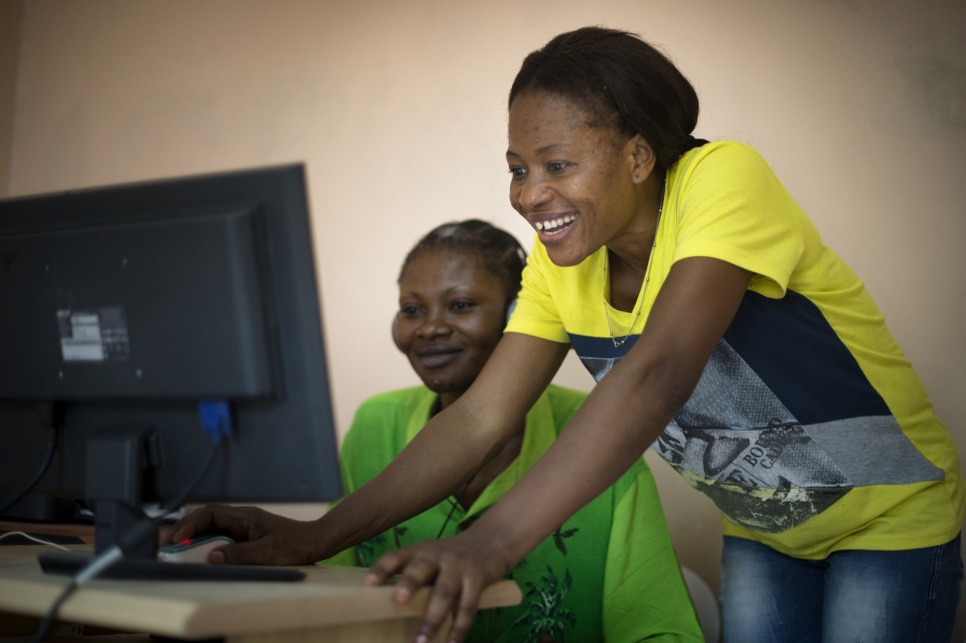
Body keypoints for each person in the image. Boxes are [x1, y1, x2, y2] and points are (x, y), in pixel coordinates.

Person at [168, 27, 965, 643]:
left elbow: (659, 371)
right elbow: (482, 415)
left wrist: (494, 542)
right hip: (767, 528)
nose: (529, 195)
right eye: (517, 168)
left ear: (639, 156)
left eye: (556, 165)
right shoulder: (561, 263)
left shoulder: (723, 179)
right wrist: (313, 537)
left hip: (888, 516)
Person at [323, 219, 703, 642]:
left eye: (460, 305)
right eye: (412, 310)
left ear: (516, 314)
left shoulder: (598, 429)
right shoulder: (374, 424)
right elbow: (329, 599)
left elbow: (661, 631)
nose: (429, 327)